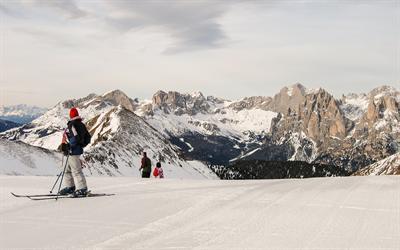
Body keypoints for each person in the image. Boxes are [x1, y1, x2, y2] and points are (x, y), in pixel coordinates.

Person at [59, 107, 91, 196]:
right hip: (74, 151)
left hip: (72, 151)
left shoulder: (72, 124)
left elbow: (75, 137)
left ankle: (82, 188)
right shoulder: (81, 124)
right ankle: (70, 187)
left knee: (76, 171)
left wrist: (69, 146)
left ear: (71, 115)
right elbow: (88, 137)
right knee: (67, 170)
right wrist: (82, 144)